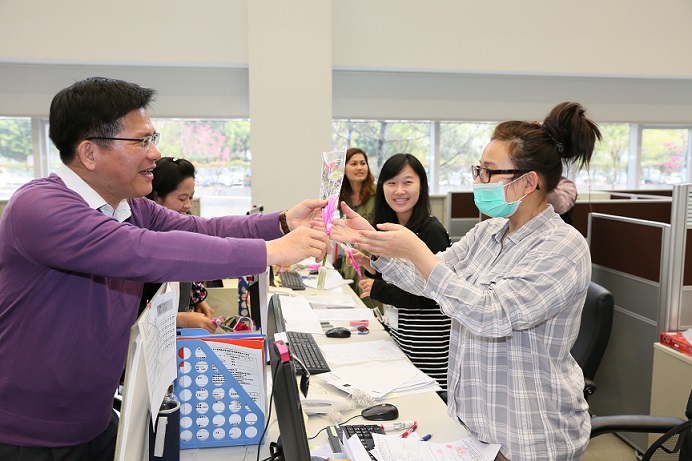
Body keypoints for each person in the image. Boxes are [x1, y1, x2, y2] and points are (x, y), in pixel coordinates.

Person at [0, 76, 330, 461]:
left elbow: (203, 229)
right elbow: (144, 251)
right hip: (27, 435)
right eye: (141, 141)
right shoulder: (40, 207)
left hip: (95, 420)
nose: (155, 153)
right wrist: (269, 252)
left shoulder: (130, 207)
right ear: (89, 153)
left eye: (153, 138)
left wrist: (283, 222)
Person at [332, 102, 601, 460]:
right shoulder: (489, 232)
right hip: (473, 428)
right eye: (478, 169)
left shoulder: (563, 247)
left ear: (529, 181)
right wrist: (375, 245)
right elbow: (429, 280)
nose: (478, 181)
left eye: (488, 172)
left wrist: (417, 250)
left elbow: (491, 315)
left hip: (529, 436)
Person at [350, 153, 451, 389]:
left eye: (407, 182)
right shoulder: (389, 228)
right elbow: (398, 276)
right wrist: (371, 268)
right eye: (391, 183)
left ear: (421, 185)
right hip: (400, 333)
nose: (399, 190)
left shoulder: (431, 230)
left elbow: (434, 295)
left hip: (427, 344)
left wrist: (379, 290)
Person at [140, 156, 215, 333]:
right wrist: (178, 318)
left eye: (191, 197)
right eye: (182, 198)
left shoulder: (182, 228)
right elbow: (137, 309)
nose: (188, 205)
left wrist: (197, 299)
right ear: (156, 196)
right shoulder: (143, 241)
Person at [337, 147, 379, 308]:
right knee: (351, 304)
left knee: (371, 305)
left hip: (371, 259)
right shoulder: (343, 197)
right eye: (353, 163)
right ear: (344, 169)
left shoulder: (378, 194)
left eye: (363, 163)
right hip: (351, 259)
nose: (360, 167)